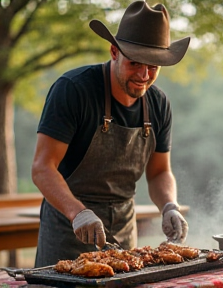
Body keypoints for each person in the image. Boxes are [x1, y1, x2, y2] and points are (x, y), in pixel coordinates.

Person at [32, 0, 190, 267]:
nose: (143, 75)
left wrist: (169, 206)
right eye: (135, 63)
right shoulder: (73, 90)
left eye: (153, 66)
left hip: (124, 233)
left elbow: (160, 172)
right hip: (67, 227)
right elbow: (42, 168)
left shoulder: (158, 104)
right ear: (114, 51)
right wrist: (79, 213)